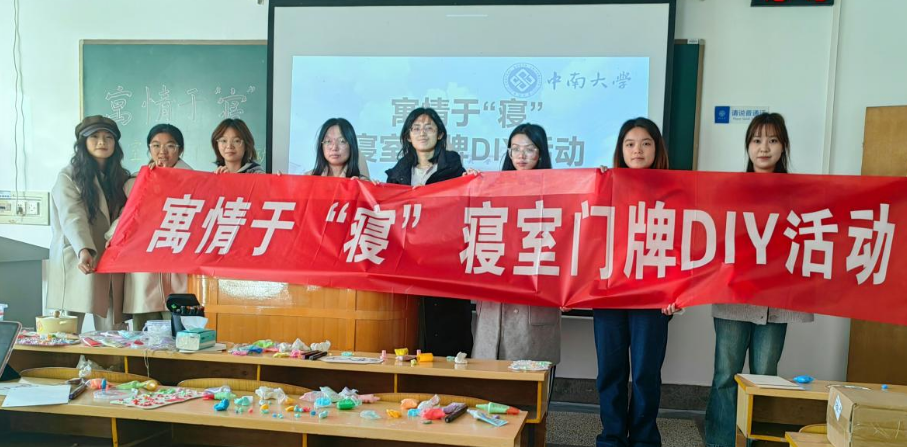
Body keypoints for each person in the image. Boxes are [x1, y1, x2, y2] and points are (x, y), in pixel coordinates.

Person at [704, 113, 813, 447]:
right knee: (726, 374)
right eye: (756, 140)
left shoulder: (800, 193)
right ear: (748, 146)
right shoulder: (729, 190)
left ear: (784, 146)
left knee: (764, 376)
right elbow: (714, 237)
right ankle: (720, 441)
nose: (764, 147)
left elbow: (811, 239)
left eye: (772, 140)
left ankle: (754, 442)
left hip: (776, 302)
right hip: (734, 297)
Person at [595, 117, 679, 447]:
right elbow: (587, 240)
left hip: (653, 297)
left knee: (645, 374)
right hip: (609, 295)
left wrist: (678, 292)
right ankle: (612, 438)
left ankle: (644, 440)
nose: (637, 150)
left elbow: (683, 246)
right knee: (610, 373)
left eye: (645, 143)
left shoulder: (675, 191)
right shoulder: (604, 188)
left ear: (657, 149)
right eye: (629, 144)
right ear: (621, 150)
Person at [385, 107, 471, 356]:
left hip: (446, 267)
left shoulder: (457, 173)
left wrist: (473, 183)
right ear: (408, 136)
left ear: (440, 134)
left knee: (447, 337)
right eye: (416, 128)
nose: (422, 133)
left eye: (429, 127)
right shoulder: (397, 176)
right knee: (410, 335)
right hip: (407, 266)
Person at [472, 123, 561, 365]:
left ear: (540, 153)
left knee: (530, 380)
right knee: (488, 378)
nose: (521, 155)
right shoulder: (492, 189)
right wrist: (469, 186)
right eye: (515, 149)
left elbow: (568, 244)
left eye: (529, 149)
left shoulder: (557, 192)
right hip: (494, 298)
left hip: (533, 297)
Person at [47, 115, 129, 332]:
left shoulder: (120, 177)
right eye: (95, 137)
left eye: (108, 137)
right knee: (68, 328)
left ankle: (108, 357)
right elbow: (72, 216)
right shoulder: (69, 176)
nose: (102, 142)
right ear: (83, 142)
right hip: (77, 254)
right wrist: (83, 249)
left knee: (112, 331)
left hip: (110, 256)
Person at [109, 124, 192, 331]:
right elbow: (127, 217)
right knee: (144, 332)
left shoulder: (195, 181)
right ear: (149, 149)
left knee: (182, 331)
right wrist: (114, 237)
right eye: (156, 145)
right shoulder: (135, 182)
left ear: (180, 149)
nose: (162, 151)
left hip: (178, 263)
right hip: (143, 269)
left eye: (170, 145)